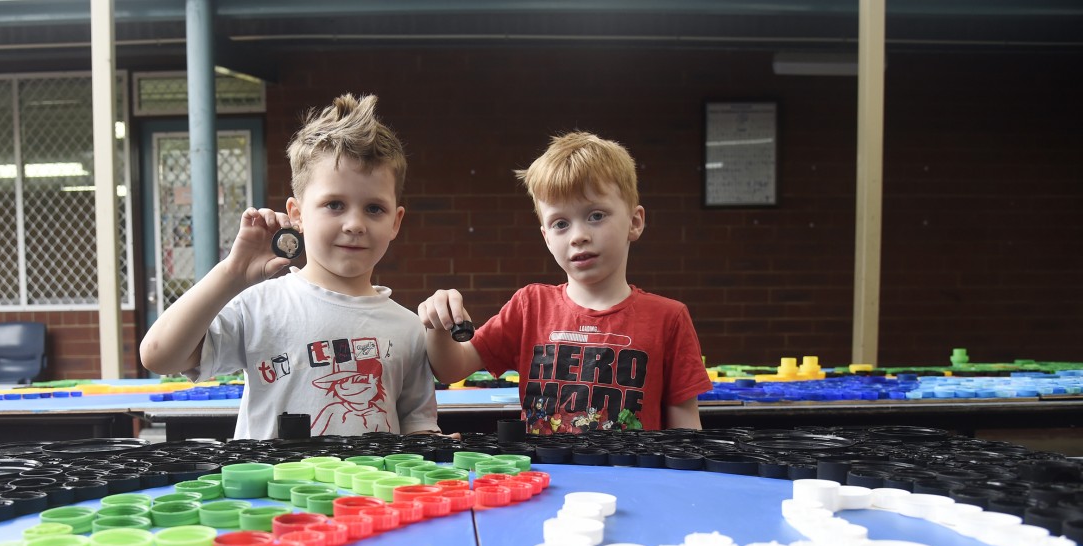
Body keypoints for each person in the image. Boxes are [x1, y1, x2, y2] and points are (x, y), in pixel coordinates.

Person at [140, 93, 439, 439]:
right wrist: (232, 274)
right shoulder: (261, 305)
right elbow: (159, 355)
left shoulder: (409, 328)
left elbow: (418, 428)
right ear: (297, 214)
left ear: (395, 222)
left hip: (367, 495)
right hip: (270, 494)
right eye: (334, 204)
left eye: (374, 208)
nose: (355, 224)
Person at [418, 131, 711, 434]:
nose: (578, 236)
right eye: (560, 223)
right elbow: (452, 369)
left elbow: (685, 430)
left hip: (629, 481)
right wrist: (438, 325)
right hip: (546, 481)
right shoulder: (530, 306)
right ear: (546, 236)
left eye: (596, 215)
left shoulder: (668, 319)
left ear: (634, 222)